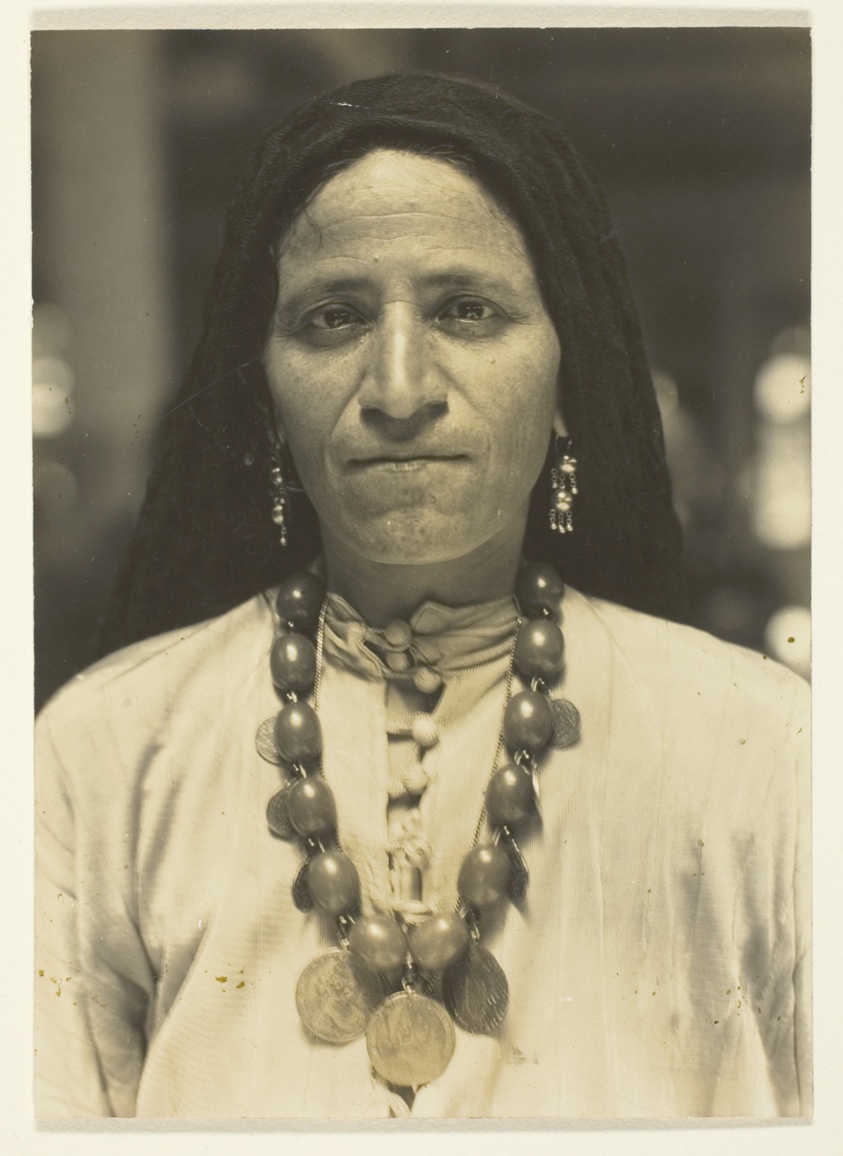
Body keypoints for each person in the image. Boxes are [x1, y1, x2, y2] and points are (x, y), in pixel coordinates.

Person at [34, 73, 810, 1119]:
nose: (400, 390)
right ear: (263, 385)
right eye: (334, 317)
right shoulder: (103, 753)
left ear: (568, 373)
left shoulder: (771, 753)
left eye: (467, 310)